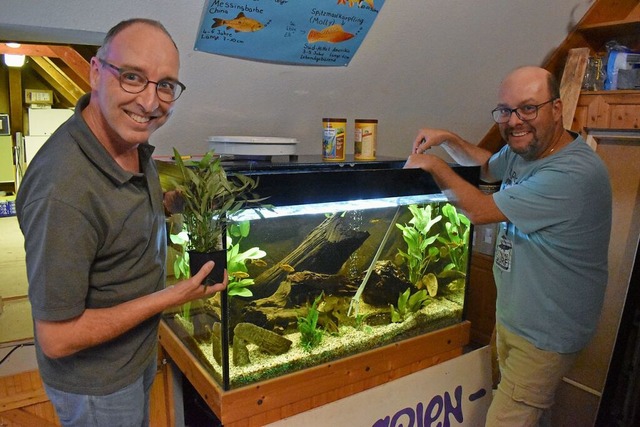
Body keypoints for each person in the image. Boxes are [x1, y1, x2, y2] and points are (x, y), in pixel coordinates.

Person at [16, 18, 227, 427]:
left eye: (165, 84)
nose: (150, 102)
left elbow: (112, 221)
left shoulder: (127, 140)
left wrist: (167, 205)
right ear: (96, 72)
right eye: (132, 77)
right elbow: (57, 338)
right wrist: (173, 297)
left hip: (134, 355)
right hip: (98, 384)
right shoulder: (63, 190)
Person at [405, 66, 612, 426]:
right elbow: (487, 166)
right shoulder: (527, 148)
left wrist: (435, 166)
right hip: (516, 317)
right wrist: (449, 138)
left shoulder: (573, 174)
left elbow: (480, 209)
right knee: (531, 412)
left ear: (557, 108)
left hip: (545, 334)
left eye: (528, 108)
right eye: (506, 110)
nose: (515, 121)